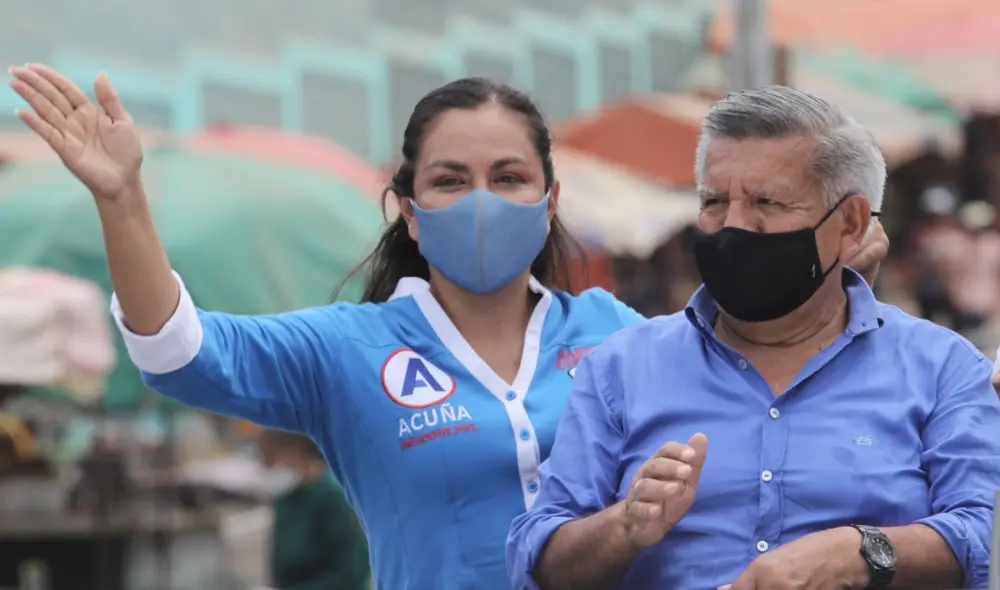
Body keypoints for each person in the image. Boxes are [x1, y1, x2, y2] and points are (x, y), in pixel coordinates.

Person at [7, 66, 887, 590]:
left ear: (548, 202)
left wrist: (836, 279)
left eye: (509, 178)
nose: (481, 202)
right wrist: (121, 199)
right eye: (450, 179)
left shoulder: (618, 332)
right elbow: (175, 349)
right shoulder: (345, 351)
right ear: (409, 210)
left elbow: (759, 381)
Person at [507, 86, 1000, 590]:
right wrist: (625, 526)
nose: (735, 225)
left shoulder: (941, 369)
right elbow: (537, 560)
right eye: (715, 201)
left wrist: (858, 552)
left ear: (850, 224)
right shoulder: (622, 368)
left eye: (767, 201)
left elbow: (984, 538)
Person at [256, 429, 371, 590]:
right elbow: (281, 565)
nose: (268, 469)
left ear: (295, 452)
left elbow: (353, 570)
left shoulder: (333, 496)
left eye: (271, 461)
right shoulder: (285, 499)